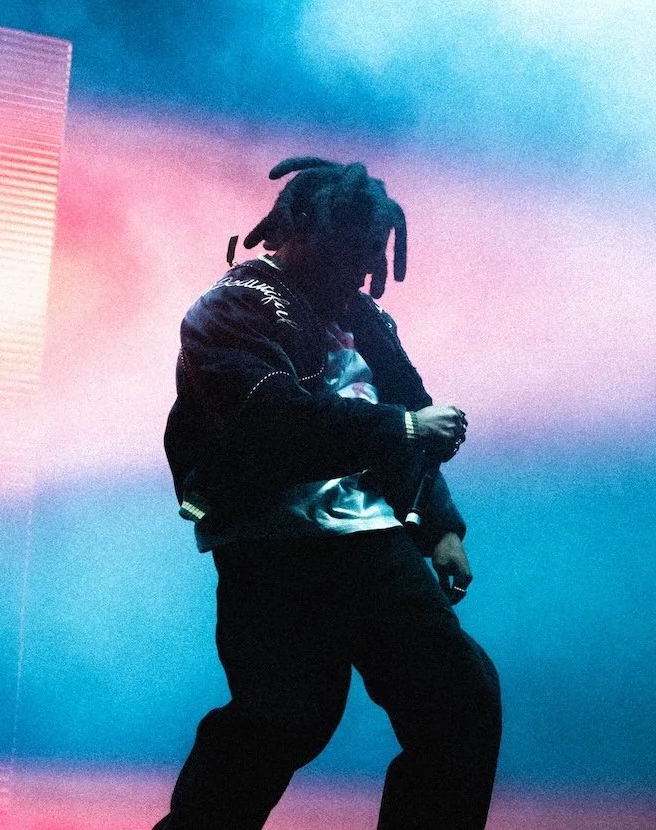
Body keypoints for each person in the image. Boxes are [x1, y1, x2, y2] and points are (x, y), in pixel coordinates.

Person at [155, 157, 501, 830]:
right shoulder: (234, 307)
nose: (363, 271)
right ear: (300, 232)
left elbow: (396, 429)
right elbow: (268, 421)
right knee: (282, 722)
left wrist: (441, 529)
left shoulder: (365, 320)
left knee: (459, 700)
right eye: (350, 253)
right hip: (274, 548)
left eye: (371, 255)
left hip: (370, 546)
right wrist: (401, 427)